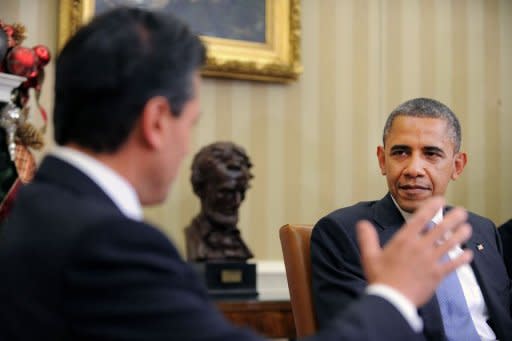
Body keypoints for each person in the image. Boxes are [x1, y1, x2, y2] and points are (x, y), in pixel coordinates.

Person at [0, 9, 473, 340]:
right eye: (192, 122)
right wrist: (394, 295)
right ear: (157, 121)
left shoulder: (35, 211)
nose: (188, 143)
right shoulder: (108, 243)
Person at [311, 97, 512, 341]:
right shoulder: (344, 233)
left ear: (457, 166)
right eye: (401, 152)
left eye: (431, 153)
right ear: (383, 160)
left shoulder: (482, 230)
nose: (414, 169)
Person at [185, 141, 253, 262]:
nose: (237, 201)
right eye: (226, 192)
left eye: (241, 192)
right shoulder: (194, 239)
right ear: (200, 189)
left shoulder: (239, 245)